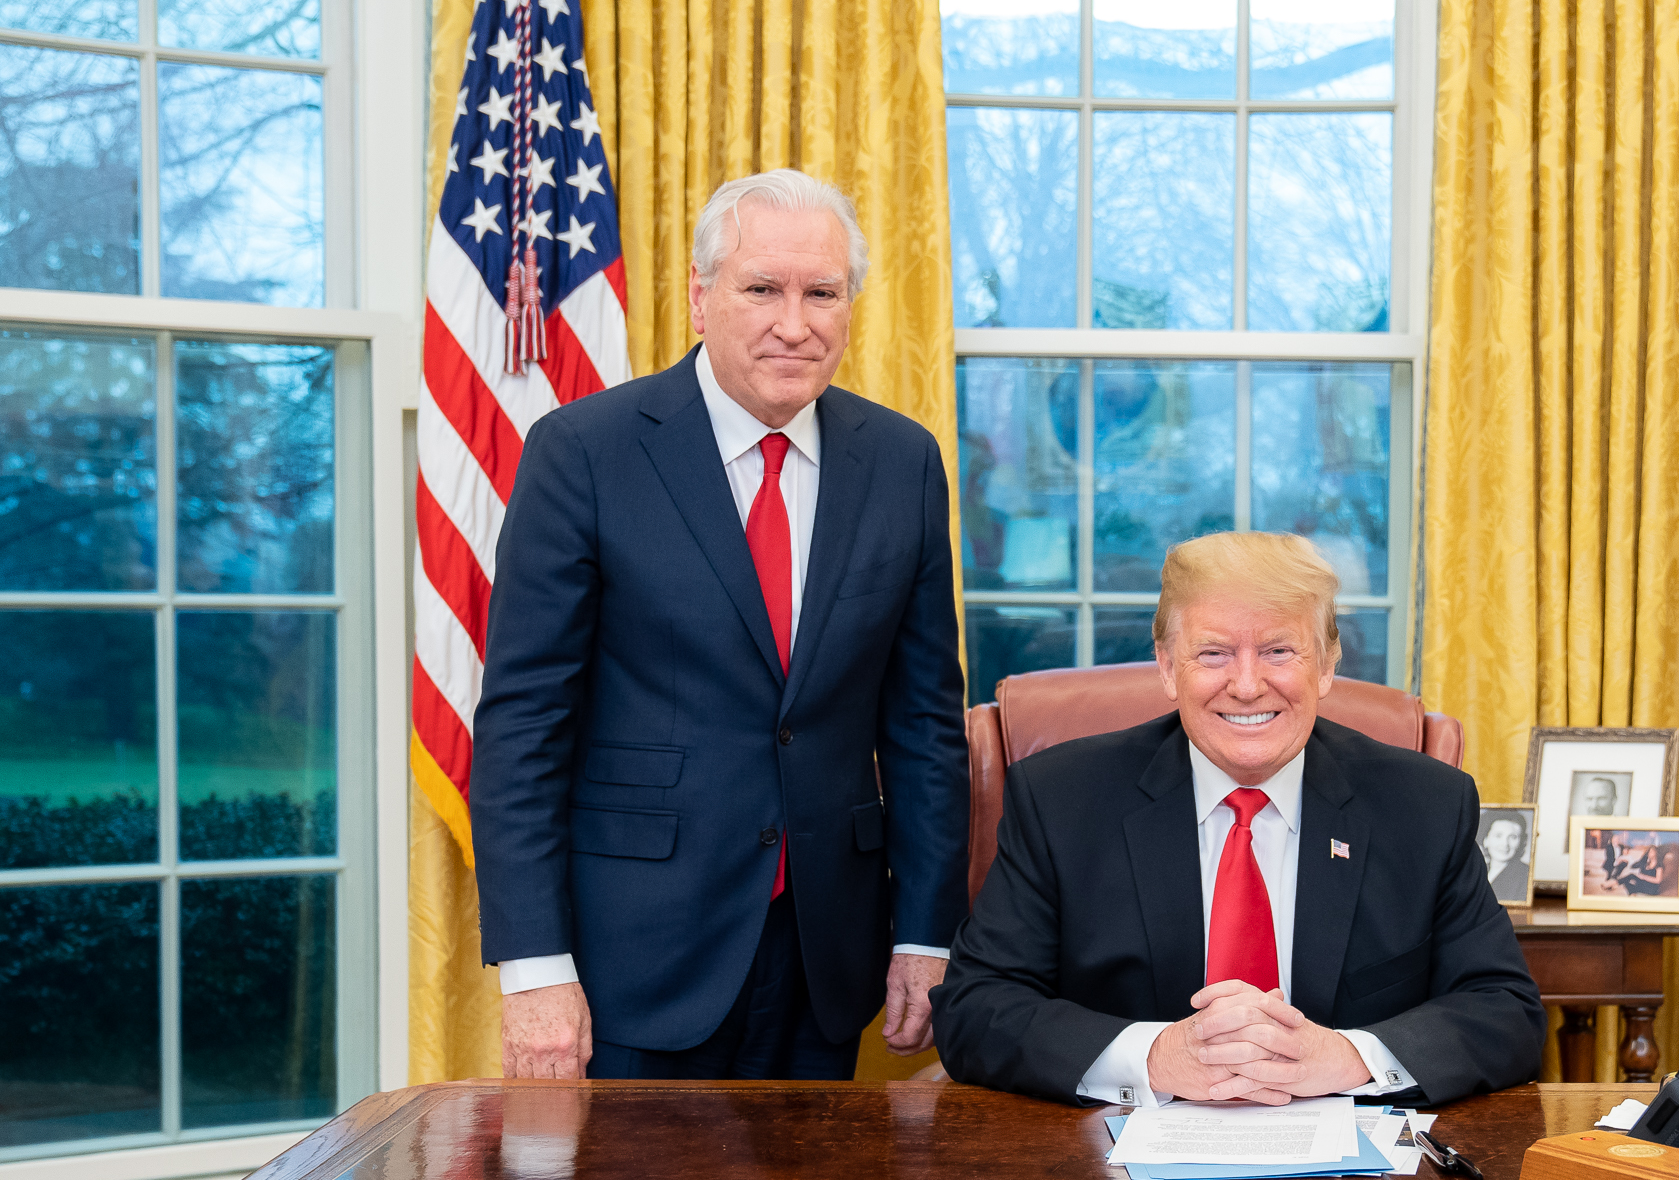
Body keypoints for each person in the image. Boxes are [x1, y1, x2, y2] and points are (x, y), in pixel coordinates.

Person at [471, 169, 969, 1081]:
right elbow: (522, 727)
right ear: (701, 298)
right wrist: (535, 969)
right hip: (634, 960)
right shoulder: (584, 453)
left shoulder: (904, 462)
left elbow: (925, 726)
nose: (796, 321)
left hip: (827, 956)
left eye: (823, 292)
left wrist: (928, 934)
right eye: (762, 289)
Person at [931, 531, 1545, 1106]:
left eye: (1279, 651)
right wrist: (1152, 1056)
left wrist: (1348, 1056)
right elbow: (976, 1008)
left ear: (1327, 665)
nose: (1247, 686)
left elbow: (1505, 1010)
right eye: (1213, 653)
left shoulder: (1423, 805)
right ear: (1168, 666)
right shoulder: (1062, 798)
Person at [1477, 811, 1530, 902]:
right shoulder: (1477, 871)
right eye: (1498, 836)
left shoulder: (1525, 874)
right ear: (1485, 840)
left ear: (1520, 842)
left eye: (1513, 837)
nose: (1505, 844)